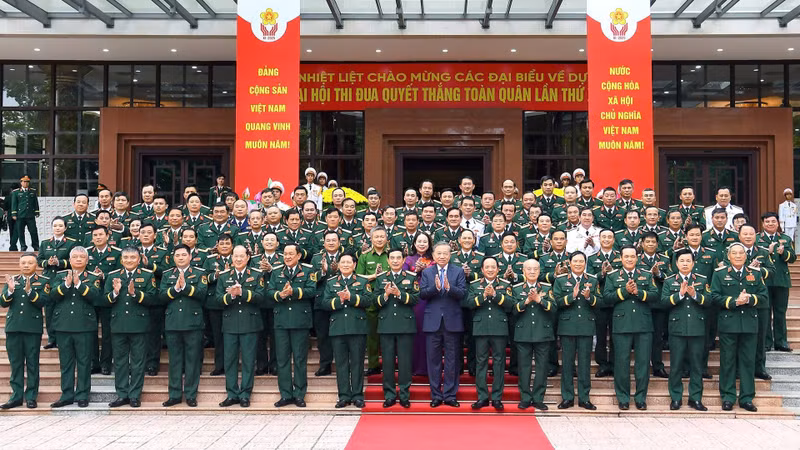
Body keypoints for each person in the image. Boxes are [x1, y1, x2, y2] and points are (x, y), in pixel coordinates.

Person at [711, 242, 766, 412]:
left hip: (749, 324)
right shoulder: (720, 274)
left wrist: (749, 298)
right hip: (729, 323)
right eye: (734, 253)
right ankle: (727, 397)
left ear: (746, 255)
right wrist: (734, 302)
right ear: (728, 256)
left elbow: (764, 297)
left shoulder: (755, 274)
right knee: (727, 362)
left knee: (748, 362)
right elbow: (714, 296)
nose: (737, 256)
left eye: (740, 253)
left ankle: (746, 398)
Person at [603, 245, 659, 410]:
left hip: (643, 325)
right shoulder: (613, 276)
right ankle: (623, 398)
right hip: (622, 325)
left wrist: (639, 293)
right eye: (626, 256)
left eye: (632, 256)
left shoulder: (647, 275)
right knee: (621, 363)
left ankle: (641, 398)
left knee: (642, 363)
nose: (629, 259)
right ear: (620, 258)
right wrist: (625, 291)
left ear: (637, 258)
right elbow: (606, 297)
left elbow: (656, 295)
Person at [104, 247, 157, 409]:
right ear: (121, 260)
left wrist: (135, 294)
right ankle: (122, 394)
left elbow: (153, 298)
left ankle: (134, 395)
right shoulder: (113, 276)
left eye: (132, 257)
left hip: (139, 325)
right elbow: (104, 301)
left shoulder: (147, 275)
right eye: (125, 257)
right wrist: (114, 292)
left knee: (138, 362)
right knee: (119, 362)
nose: (128, 260)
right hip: (119, 325)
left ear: (139, 259)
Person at [50, 246, 102, 408]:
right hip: (63, 325)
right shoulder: (59, 276)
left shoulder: (93, 277)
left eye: (82, 257)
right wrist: (66, 285)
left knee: (84, 362)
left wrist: (79, 285)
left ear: (87, 260)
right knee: (66, 363)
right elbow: (52, 295)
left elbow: (95, 297)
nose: (78, 259)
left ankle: (82, 394)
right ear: (70, 260)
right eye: (75, 257)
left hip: (84, 326)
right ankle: (66, 394)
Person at [319, 253, 372, 408]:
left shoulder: (362, 281)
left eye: (349, 262)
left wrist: (352, 297)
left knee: (357, 363)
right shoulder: (331, 282)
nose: (346, 265)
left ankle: (357, 395)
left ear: (354, 265)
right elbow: (325, 303)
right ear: (339, 265)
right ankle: (343, 396)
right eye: (343, 262)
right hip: (338, 328)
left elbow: (369, 301)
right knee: (341, 364)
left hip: (357, 327)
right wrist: (340, 300)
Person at [266, 244, 317, 408]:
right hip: (281, 321)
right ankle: (285, 394)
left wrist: (293, 292)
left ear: (299, 255)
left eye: (290, 253)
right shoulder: (276, 271)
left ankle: (299, 394)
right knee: (282, 360)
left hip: (300, 321)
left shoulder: (308, 271)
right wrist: (279, 294)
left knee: (300, 359)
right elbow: (269, 291)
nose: (287, 256)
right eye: (285, 254)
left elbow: (312, 290)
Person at [216, 245, 265, 408]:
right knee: (229, 360)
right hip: (230, 323)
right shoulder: (224, 276)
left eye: (241, 256)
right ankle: (231, 394)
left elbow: (261, 297)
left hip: (250, 323)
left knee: (248, 360)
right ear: (231, 258)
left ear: (248, 257)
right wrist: (230, 295)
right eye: (235, 256)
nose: (238, 259)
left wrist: (242, 293)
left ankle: (245, 394)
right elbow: (217, 299)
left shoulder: (257, 275)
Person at [160, 244, 208, 408]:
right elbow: (161, 296)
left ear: (190, 256)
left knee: (192, 361)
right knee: (174, 361)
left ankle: (190, 394)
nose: (180, 258)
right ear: (173, 258)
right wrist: (175, 288)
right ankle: (174, 395)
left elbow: (202, 294)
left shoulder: (200, 273)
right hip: (173, 323)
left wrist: (186, 287)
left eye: (183, 255)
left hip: (193, 322)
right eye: (177, 255)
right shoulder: (168, 274)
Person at [661, 248, 710, 411]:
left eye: (688, 261)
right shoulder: (669, 281)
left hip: (697, 328)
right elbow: (663, 302)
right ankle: (676, 397)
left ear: (693, 263)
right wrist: (680, 295)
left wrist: (696, 295)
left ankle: (695, 398)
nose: (685, 263)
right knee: (676, 365)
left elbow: (709, 301)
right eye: (682, 261)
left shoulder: (702, 280)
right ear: (676, 263)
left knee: (697, 365)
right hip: (677, 328)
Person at [1, 252, 51, 409]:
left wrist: (30, 292)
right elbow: (3, 303)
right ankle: (16, 396)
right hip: (14, 327)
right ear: (19, 264)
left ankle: (31, 397)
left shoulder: (44, 281)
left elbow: (43, 302)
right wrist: (9, 290)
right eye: (23, 263)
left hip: (32, 328)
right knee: (15, 364)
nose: (26, 265)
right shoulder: (12, 281)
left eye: (30, 262)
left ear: (36, 265)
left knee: (32, 363)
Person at [419, 241, 466, 408]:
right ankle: (436, 395)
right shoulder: (427, 272)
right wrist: (435, 288)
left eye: (445, 253)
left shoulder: (458, 271)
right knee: (434, 361)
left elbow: (462, 294)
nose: (442, 256)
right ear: (433, 255)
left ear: (450, 255)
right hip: (432, 323)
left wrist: (449, 287)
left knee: (452, 360)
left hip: (452, 322)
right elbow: (423, 294)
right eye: (438, 253)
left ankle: (450, 395)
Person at [374, 247, 419, 408]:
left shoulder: (411, 277)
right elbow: (375, 301)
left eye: (398, 258)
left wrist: (400, 294)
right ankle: (390, 395)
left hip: (405, 325)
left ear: (403, 259)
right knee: (387, 363)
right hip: (386, 325)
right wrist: (385, 295)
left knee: (405, 363)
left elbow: (415, 299)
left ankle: (405, 395)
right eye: (392, 258)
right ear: (388, 260)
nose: (394, 260)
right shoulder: (381, 278)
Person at [466, 256, 512, 411]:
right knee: (481, 363)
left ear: (498, 269)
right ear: (482, 270)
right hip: (480, 329)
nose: (490, 269)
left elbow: (511, 304)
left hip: (499, 328)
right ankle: (483, 397)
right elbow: (469, 304)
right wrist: (484, 296)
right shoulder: (474, 285)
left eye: (493, 267)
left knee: (499, 363)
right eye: (487, 267)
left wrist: (496, 295)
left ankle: (497, 397)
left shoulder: (505, 284)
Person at [554, 251, 599, 411]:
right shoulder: (560, 280)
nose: (578, 264)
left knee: (585, 364)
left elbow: (599, 302)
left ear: (585, 263)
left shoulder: (592, 280)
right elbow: (556, 302)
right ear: (570, 263)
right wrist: (570, 297)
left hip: (586, 326)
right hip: (567, 326)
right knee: (567, 364)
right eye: (575, 261)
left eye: (581, 261)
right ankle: (567, 397)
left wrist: (589, 297)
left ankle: (584, 398)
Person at [512, 259, 555, 410]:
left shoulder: (547, 287)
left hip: (542, 332)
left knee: (542, 367)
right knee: (524, 367)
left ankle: (538, 398)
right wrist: (526, 301)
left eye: (535, 269)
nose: (531, 272)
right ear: (523, 271)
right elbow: (513, 310)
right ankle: (525, 397)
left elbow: (554, 308)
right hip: (523, 333)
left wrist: (539, 300)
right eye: (528, 269)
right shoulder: (517, 288)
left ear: (539, 271)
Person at [355, 227, 390, 377]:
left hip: (389, 298)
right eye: (376, 237)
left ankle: (390, 364)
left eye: (382, 236)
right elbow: (358, 278)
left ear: (387, 238)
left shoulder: (392, 255)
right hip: (370, 299)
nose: (380, 239)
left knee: (390, 333)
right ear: (371, 239)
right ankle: (374, 365)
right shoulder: (364, 256)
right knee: (372, 335)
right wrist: (374, 277)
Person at [37, 217, 77, 349]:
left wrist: (60, 263)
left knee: (63, 309)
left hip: (63, 280)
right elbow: (39, 260)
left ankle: (62, 338)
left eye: (60, 226)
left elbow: (74, 261)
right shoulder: (44, 243)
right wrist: (47, 263)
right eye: (55, 226)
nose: (58, 228)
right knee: (49, 310)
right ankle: (51, 339)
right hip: (49, 280)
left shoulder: (71, 243)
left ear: (65, 228)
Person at [759, 212, 796, 352]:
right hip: (764, 281)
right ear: (763, 224)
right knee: (765, 312)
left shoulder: (785, 239)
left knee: (780, 312)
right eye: (767, 221)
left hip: (781, 280)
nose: (770, 224)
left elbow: (792, 258)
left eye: (773, 221)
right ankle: (767, 342)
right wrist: (767, 253)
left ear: (778, 223)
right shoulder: (757, 238)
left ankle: (781, 342)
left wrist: (784, 253)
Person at [587, 228, 621, 377]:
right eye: (604, 237)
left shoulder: (620, 257)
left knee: (616, 334)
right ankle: (602, 364)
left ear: (614, 240)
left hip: (616, 301)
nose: (606, 239)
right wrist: (602, 274)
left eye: (609, 237)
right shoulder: (593, 258)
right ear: (599, 239)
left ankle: (614, 364)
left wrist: (612, 273)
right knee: (600, 334)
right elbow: (588, 279)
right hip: (599, 301)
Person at [202, 233, 235, 376]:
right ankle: (220, 365)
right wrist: (215, 275)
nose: (225, 246)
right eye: (222, 244)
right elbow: (204, 278)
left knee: (232, 336)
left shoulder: (238, 258)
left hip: (233, 302)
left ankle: (232, 365)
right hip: (215, 303)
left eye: (227, 243)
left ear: (232, 245)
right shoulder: (210, 260)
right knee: (218, 336)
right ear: (217, 246)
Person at [310, 231, 342, 377]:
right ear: (323, 243)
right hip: (321, 301)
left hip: (341, 300)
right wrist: (323, 272)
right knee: (323, 335)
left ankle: (342, 363)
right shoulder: (317, 258)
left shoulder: (345, 257)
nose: (330, 242)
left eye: (333, 240)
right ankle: (325, 364)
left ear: (339, 242)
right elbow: (311, 279)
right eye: (328, 240)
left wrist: (337, 271)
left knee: (340, 334)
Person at [403, 232, 435, 376]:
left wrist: (426, 270)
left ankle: (429, 368)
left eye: (425, 241)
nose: (422, 244)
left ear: (429, 244)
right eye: (419, 241)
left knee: (429, 334)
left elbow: (437, 275)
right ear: (414, 243)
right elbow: (403, 277)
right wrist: (415, 271)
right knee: (415, 333)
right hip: (414, 301)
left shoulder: (434, 259)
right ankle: (415, 367)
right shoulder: (408, 259)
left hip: (430, 300)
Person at [251, 232, 282, 375]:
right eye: (266, 240)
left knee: (276, 335)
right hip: (259, 302)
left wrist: (271, 270)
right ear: (262, 243)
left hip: (276, 301)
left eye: (272, 240)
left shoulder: (282, 258)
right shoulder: (254, 259)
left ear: (277, 243)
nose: (269, 242)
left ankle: (275, 364)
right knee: (259, 335)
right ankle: (261, 364)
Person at [11, 175, 40, 251]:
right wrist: (14, 213)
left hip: (30, 215)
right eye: (24, 182)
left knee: (33, 231)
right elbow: (14, 204)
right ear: (21, 183)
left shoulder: (32, 191)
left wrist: (37, 211)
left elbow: (35, 203)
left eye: (27, 182)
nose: (26, 183)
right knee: (21, 232)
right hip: (20, 215)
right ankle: (23, 246)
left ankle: (35, 245)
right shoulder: (16, 192)